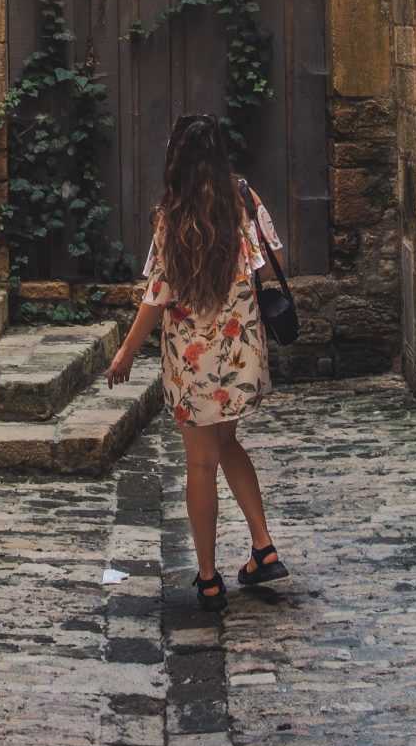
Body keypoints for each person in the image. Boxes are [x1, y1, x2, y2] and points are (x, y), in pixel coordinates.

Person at [107, 111, 289, 610]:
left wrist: (125, 352)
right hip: (239, 352)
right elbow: (274, 258)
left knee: (200, 463)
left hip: (192, 360)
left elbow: (157, 294)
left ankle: (208, 578)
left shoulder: (172, 214)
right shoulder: (244, 201)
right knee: (229, 444)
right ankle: (263, 547)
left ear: (177, 159)